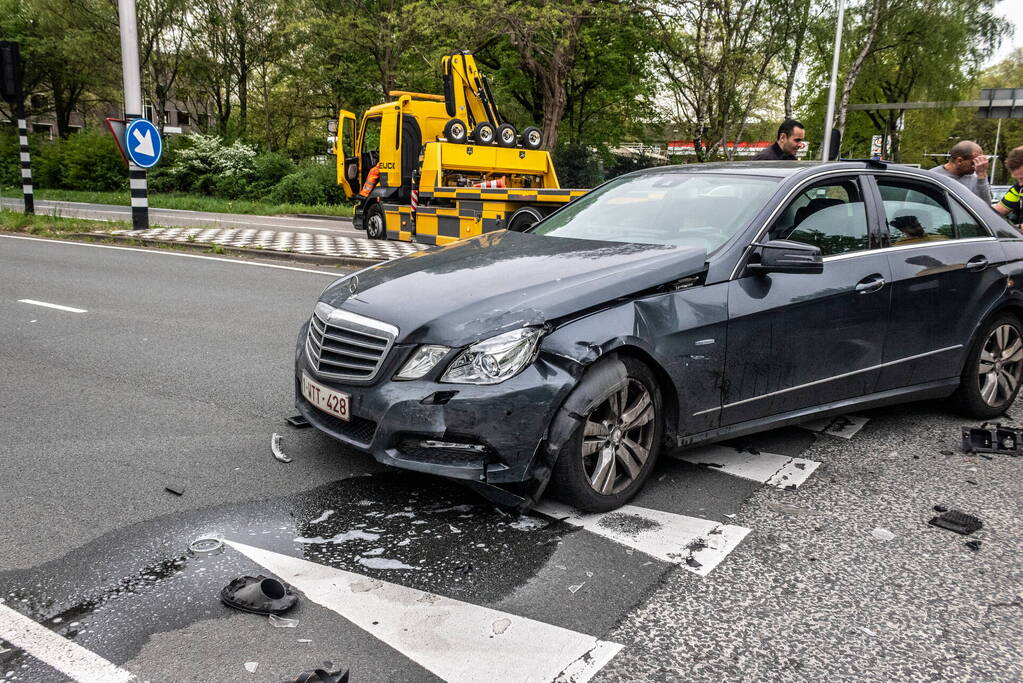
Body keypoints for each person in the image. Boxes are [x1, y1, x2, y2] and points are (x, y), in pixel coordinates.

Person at [993, 145, 1023, 228]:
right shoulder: (1017, 189)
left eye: (1022, 178)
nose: (1020, 184)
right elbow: (994, 213)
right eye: (1017, 179)